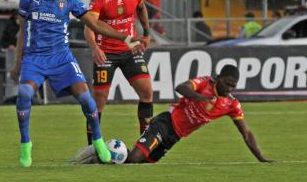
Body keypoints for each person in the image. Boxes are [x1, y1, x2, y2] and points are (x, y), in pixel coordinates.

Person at [11, 0, 144, 167]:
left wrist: (126, 37)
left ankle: (98, 141)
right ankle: (25, 144)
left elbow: (95, 24)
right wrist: (17, 63)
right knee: (24, 94)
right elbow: (22, 32)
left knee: (86, 98)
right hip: (34, 59)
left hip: (62, 58)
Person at [70, 65, 273, 164]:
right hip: (165, 123)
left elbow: (246, 133)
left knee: (138, 165)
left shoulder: (231, 104)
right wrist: (200, 98)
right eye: (227, 82)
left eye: (233, 85)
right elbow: (181, 87)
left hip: (174, 137)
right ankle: (95, 156)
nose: (229, 88)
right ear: (218, 77)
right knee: (133, 161)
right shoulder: (204, 83)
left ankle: (108, 155)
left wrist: (261, 159)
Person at [83, 0, 153, 145]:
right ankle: (93, 146)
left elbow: (141, 8)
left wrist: (146, 33)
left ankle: (145, 143)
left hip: (130, 49)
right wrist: (94, 48)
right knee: (100, 100)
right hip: (105, 52)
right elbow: (89, 26)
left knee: (146, 91)